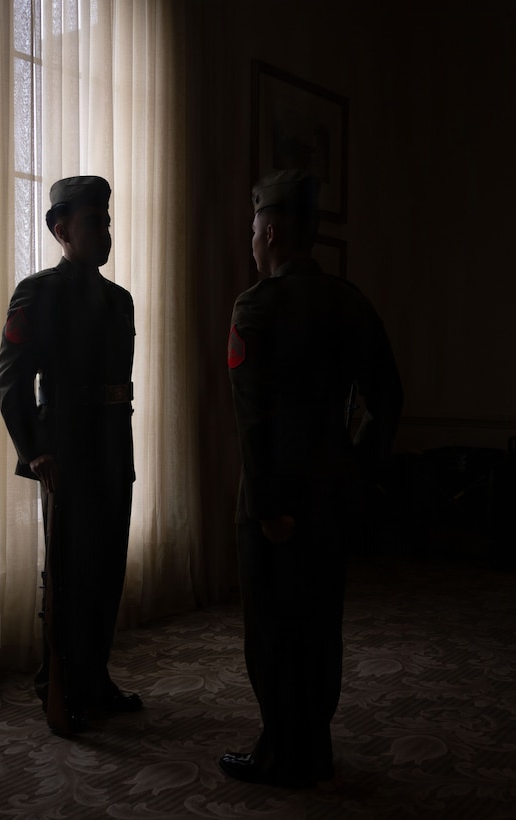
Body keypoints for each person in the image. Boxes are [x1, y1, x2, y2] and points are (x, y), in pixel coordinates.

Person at [221, 168, 403, 788]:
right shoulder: (351, 302)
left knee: (271, 634)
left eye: (253, 228)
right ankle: (315, 747)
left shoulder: (257, 306)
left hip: (275, 505)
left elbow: (253, 424)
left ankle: (281, 752)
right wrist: (358, 472)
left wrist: (269, 505)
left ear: (270, 232)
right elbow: (388, 399)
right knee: (322, 626)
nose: (251, 238)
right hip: (331, 498)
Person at [0, 175, 142, 733]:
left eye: (106, 221)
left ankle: (95, 677)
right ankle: (56, 685)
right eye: (92, 222)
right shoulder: (39, 293)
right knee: (67, 576)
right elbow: (12, 381)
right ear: (61, 230)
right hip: (66, 451)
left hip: (112, 450)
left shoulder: (118, 299)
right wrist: (34, 450)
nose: (104, 232)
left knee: (107, 571)